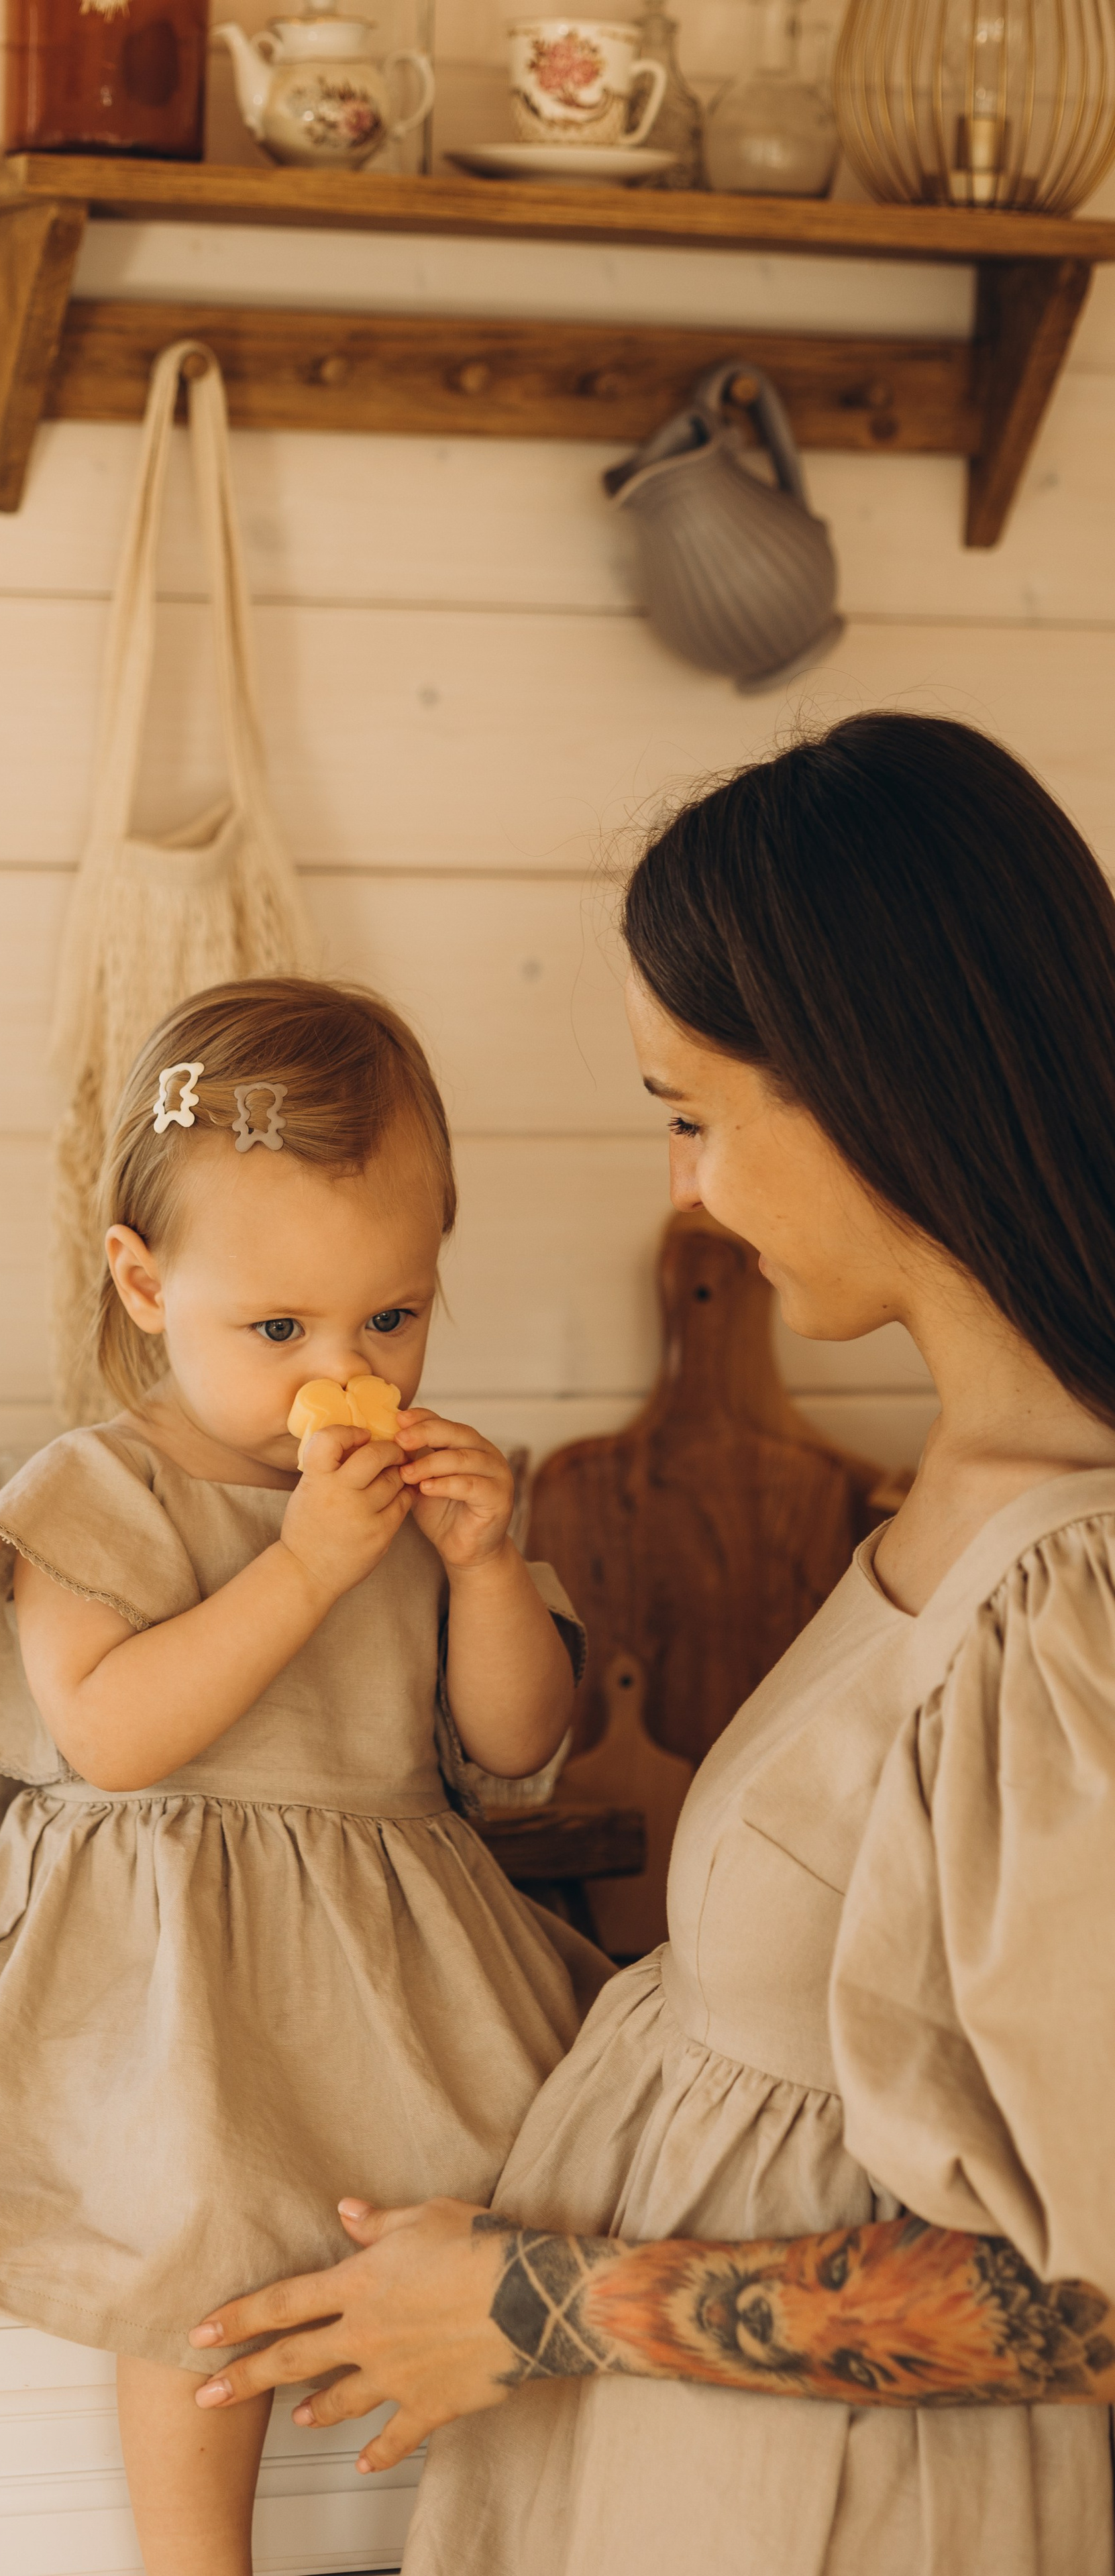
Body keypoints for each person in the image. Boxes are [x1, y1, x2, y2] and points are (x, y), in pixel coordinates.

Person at [183, 712, 1115, 2576]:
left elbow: (1088, 2306)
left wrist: (541, 2309)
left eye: (696, 1115)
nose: (687, 1191)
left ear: (868, 1084)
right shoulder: (968, 1486)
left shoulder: (1074, 1584)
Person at [0, 977, 610, 2576]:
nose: (342, 1368)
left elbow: (514, 1749)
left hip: (392, 1955)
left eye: (392, 1316)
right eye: (279, 1329)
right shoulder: (100, 1490)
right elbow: (110, 1734)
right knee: (203, 2241)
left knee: (513, 2215)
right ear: (144, 1284)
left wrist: (489, 1567)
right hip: (161, 1967)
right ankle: (193, 2562)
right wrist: (303, 1570)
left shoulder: (408, 1498)